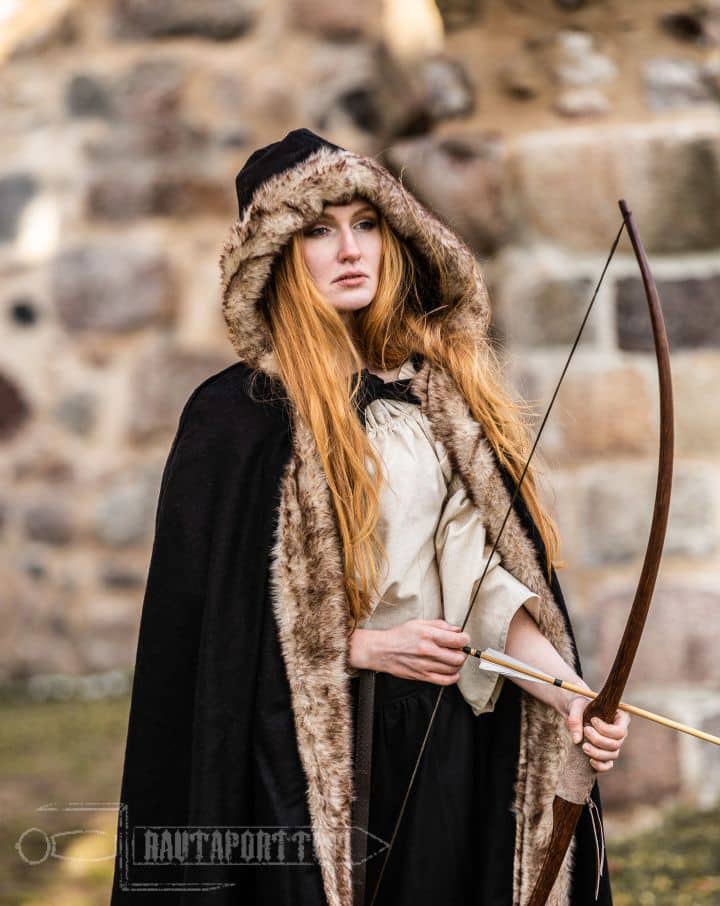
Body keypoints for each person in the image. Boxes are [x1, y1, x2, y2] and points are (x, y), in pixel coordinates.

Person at [109, 127, 629, 906]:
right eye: (318, 231)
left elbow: (484, 578)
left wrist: (569, 693)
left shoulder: (436, 398)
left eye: (366, 224)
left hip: (446, 737)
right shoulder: (234, 419)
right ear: (277, 255)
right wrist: (362, 646)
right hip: (306, 748)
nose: (350, 250)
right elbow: (216, 633)